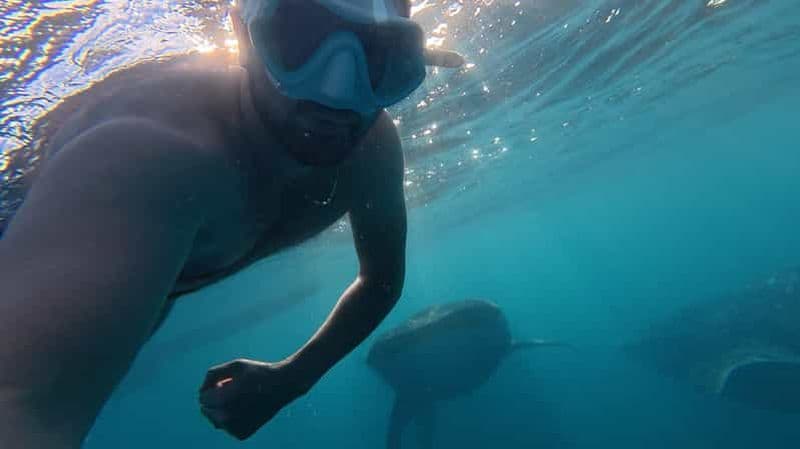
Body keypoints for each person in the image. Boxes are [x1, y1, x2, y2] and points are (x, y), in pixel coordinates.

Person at [0, 0, 464, 447]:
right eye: (301, 41)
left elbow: (381, 281)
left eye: (379, 55)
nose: (337, 94)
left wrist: (292, 378)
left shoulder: (372, 150)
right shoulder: (148, 155)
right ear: (244, 37)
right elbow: (21, 405)